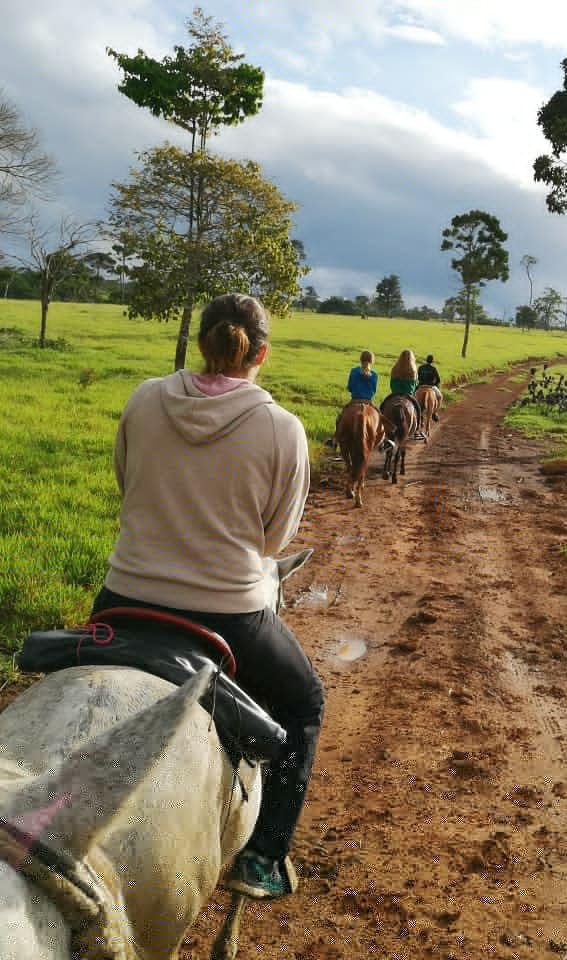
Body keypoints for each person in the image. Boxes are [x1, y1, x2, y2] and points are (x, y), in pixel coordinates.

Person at [91, 292, 324, 900]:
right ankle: (263, 859)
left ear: (200, 344)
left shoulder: (145, 399)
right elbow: (275, 540)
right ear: (262, 353)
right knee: (303, 707)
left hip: (123, 599)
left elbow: (126, 485)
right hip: (230, 615)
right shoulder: (283, 429)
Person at [327, 349, 378, 445]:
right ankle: (384, 441)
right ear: (372, 361)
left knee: (340, 418)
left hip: (354, 401)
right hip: (368, 402)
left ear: (360, 359)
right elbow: (374, 391)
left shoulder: (354, 371)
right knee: (380, 418)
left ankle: (335, 439)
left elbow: (350, 387)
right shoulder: (374, 374)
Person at [387, 348, 425, 439]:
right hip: (408, 395)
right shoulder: (413, 370)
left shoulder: (395, 369)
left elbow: (391, 383)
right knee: (418, 409)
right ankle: (417, 430)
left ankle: (380, 426)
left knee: (383, 405)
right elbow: (415, 385)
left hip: (395, 394)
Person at [417, 353, 441, 422]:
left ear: (426, 360)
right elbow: (438, 379)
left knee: (412, 395)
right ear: (432, 361)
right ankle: (434, 413)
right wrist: (434, 385)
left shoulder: (420, 367)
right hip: (430, 386)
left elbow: (417, 377)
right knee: (439, 397)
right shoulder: (433, 368)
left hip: (420, 386)